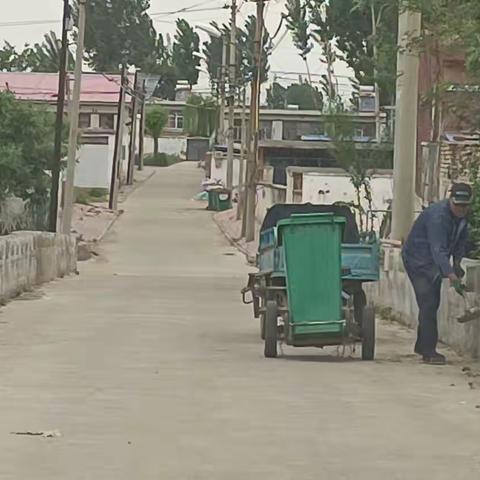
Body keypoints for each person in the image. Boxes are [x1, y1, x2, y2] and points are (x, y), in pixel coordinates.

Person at [402, 183, 472, 365]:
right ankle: (429, 351)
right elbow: (438, 249)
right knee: (428, 302)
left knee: (432, 302)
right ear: (450, 200)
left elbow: (460, 241)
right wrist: (451, 275)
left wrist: (456, 263)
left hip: (434, 262)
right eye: (457, 205)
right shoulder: (438, 217)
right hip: (417, 260)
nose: (460, 209)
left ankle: (422, 345)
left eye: (464, 206)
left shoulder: (463, 216)